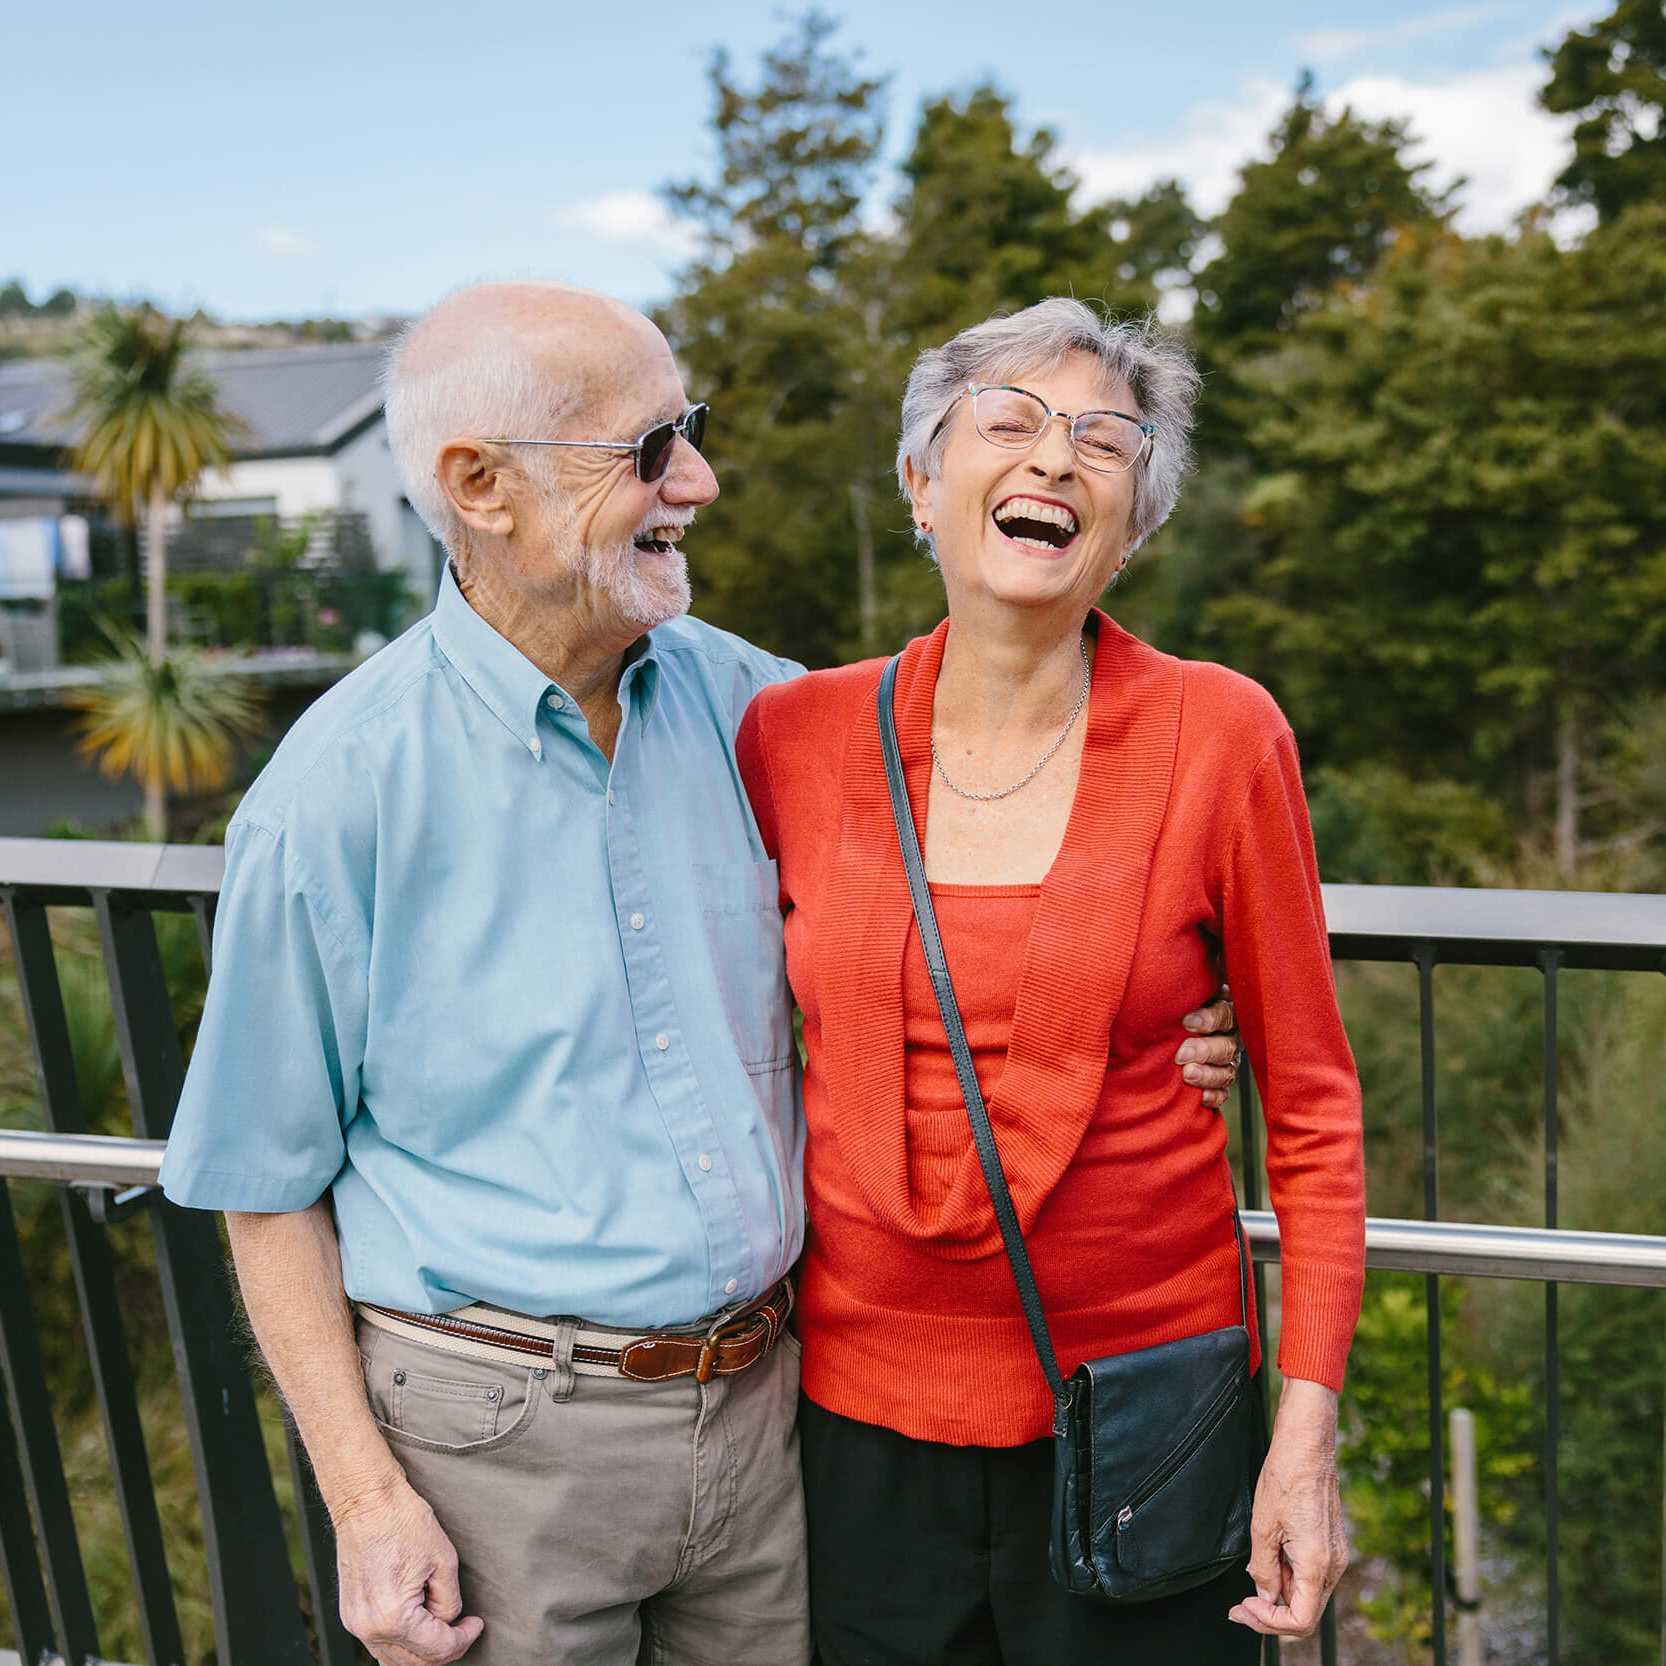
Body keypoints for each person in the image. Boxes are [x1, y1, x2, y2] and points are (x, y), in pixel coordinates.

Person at [157, 281, 1246, 1666]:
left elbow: (968, 898)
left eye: (695, 431)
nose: (702, 480)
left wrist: (1169, 1014)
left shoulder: (767, 713)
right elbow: (261, 1187)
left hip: (764, 1420)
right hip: (498, 1453)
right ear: (479, 486)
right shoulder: (335, 798)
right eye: (651, 446)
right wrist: (368, 1498)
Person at [736, 297, 1366, 1665]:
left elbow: (1310, 1106)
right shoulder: (790, 736)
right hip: (856, 1429)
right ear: (919, 480)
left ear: (1133, 519)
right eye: (1007, 421)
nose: (1053, 458)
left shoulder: (1221, 733)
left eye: (1102, 439)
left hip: (1148, 1417)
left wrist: (1302, 1438)